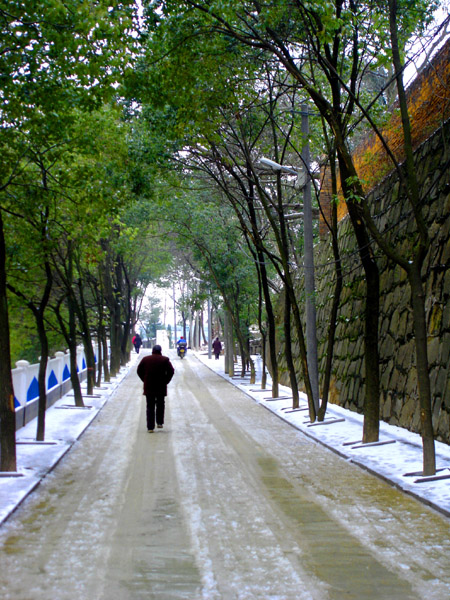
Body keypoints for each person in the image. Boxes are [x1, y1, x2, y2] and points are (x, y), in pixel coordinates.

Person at [137, 345, 174, 432]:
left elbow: (139, 370)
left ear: (152, 350)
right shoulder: (165, 360)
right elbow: (171, 371)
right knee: (160, 404)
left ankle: (150, 427)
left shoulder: (145, 359)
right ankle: (160, 423)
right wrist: (166, 380)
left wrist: (144, 379)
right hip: (161, 386)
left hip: (149, 386)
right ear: (160, 351)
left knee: (150, 406)